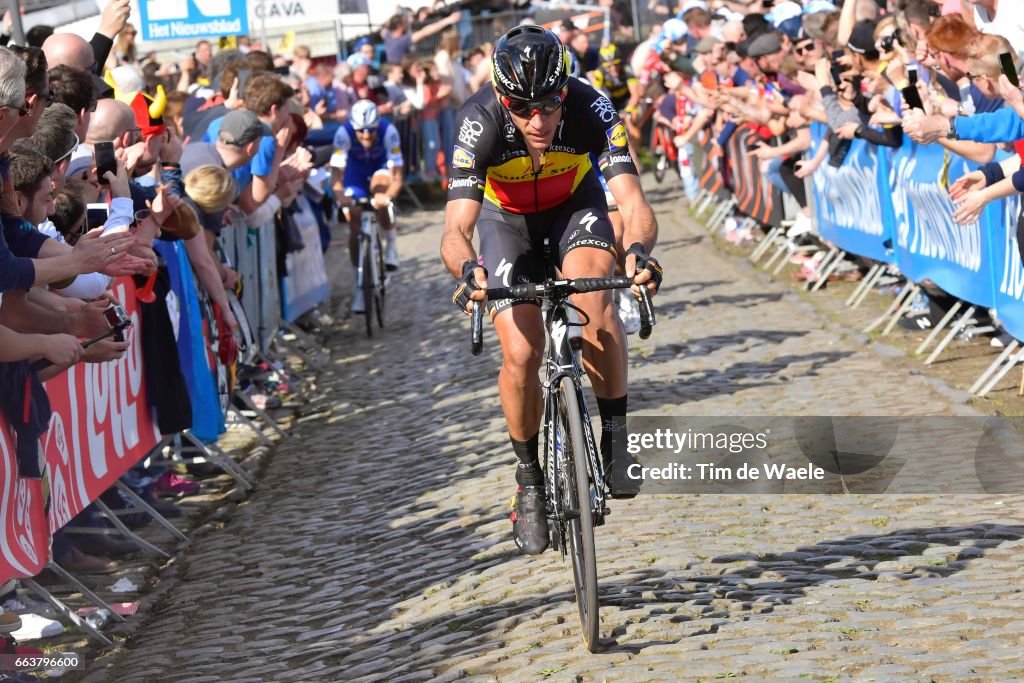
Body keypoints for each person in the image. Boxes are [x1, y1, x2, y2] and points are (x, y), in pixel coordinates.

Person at [439, 26, 662, 556]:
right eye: (522, 108)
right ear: (500, 97)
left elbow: (633, 205)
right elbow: (455, 230)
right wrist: (468, 271)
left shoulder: (592, 108)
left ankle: (614, 435)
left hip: (573, 210)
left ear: (566, 91)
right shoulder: (479, 122)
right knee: (521, 351)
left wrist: (638, 253)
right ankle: (530, 479)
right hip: (505, 221)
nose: (538, 121)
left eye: (549, 105)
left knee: (597, 301)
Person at [330, 100, 403, 314]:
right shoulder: (343, 134)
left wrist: (387, 196)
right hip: (355, 174)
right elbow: (336, 177)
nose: (365, 136)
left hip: (380, 168)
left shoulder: (388, 131)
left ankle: (390, 246)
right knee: (354, 222)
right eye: (360, 131)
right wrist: (341, 197)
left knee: (380, 192)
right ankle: (361, 286)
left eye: (370, 131)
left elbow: (397, 176)